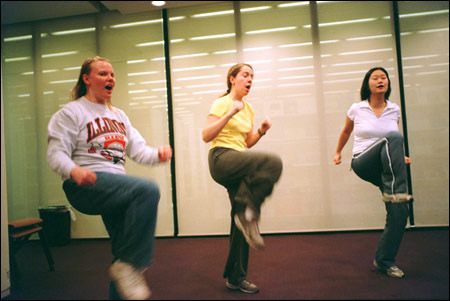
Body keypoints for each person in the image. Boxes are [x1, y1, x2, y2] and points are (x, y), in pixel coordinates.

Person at [46, 56, 172, 300]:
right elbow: (55, 154)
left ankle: (126, 267)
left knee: (123, 256)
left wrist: (158, 154)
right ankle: (132, 264)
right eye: (103, 74)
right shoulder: (72, 112)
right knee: (147, 190)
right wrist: (74, 170)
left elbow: (138, 150)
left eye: (112, 74)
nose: (110, 78)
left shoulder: (119, 116)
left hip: (117, 189)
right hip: (84, 185)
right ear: (87, 79)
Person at [202, 63, 283, 293]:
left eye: (252, 77)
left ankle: (236, 277)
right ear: (232, 79)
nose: (249, 80)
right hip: (221, 159)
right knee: (273, 163)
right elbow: (206, 135)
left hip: (239, 161)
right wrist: (229, 113)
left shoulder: (249, 108)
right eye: (245, 75)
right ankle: (250, 210)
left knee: (239, 223)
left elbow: (246, 143)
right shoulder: (222, 102)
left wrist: (261, 131)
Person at [333, 67, 412, 278]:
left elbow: (393, 139)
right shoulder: (357, 108)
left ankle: (384, 260)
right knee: (393, 138)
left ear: (388, 83)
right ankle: (397, 193)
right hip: (363, 161)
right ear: (367, 83)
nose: (380, 80)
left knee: (399, 212)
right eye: (375, 78)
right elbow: (346, 131)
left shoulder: (393, 109)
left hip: (387, 165)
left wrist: (399, 157)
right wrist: (338, 152)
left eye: (384, 78)